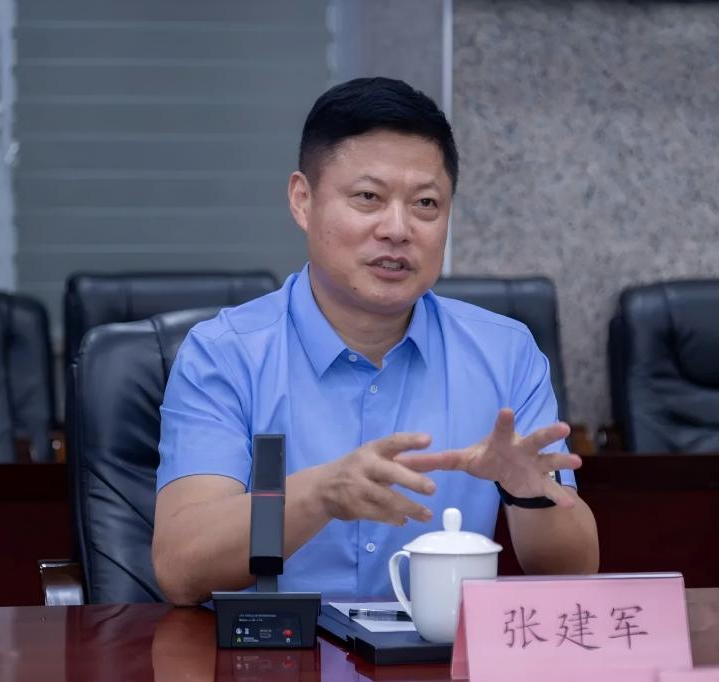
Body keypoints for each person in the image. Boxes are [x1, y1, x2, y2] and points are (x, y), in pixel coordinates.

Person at [153, 77, 598, 605]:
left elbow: (574, 573)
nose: (397, 229)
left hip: (435, 650)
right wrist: (319, 494)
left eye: (426, 203)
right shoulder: (225, 355)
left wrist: (527, 493)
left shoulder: (505, 354)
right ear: (302, 200)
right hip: (271, 649)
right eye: (368, 197)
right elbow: (182, 569)